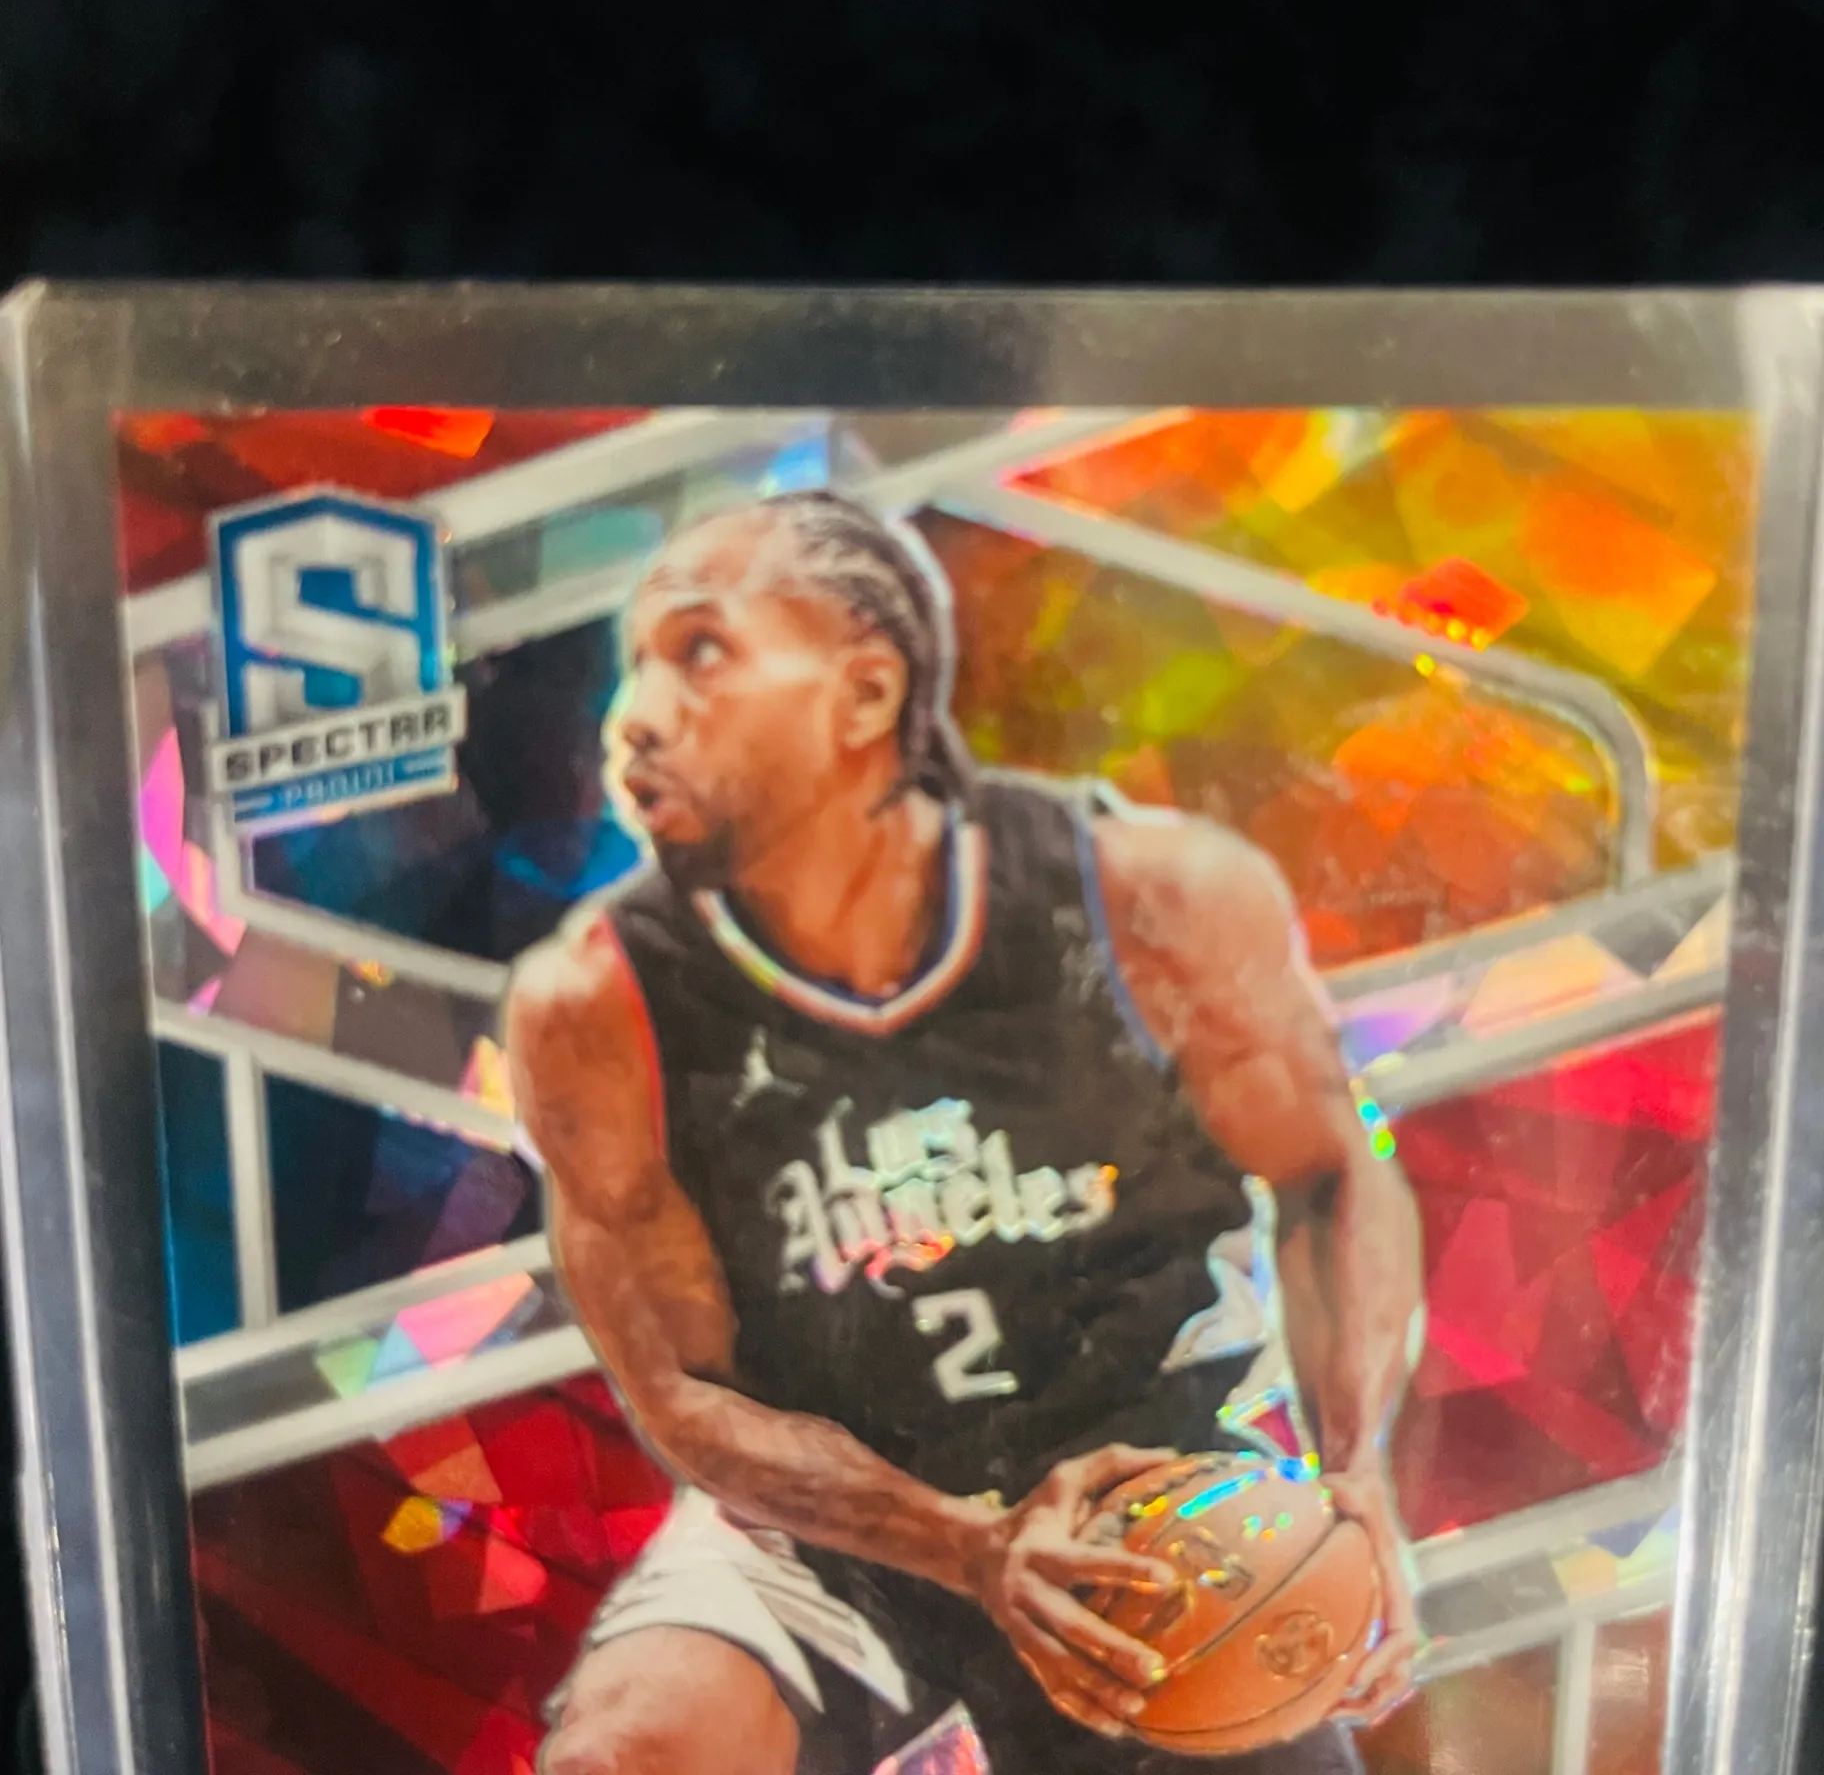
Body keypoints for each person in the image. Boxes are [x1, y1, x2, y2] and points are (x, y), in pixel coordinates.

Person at [506, 492, 1423, 1775]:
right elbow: (683, 1397)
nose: (633, 719)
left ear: (866, 694)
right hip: (833, 1520)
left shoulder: (1147, 898)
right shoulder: (594, 1007)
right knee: (627, 1754)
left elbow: (1334, 1176)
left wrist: (1355, 1468)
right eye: (635, 667)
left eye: (699, 653)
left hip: (1148, 1477)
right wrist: (968, 1545)